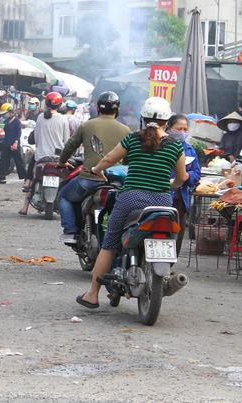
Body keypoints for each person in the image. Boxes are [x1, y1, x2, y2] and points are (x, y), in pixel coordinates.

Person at [75, 97, 187, 309]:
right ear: (167, 121)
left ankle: (92, 294)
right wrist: (172, 186)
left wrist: (97, 170)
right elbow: (181, 178)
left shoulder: (134, 139)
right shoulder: (175, 145)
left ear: (142, 118)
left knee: (109, 244)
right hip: (162, 201)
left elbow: (109, 158)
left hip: (130, 198)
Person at [56, 91, 131, 243]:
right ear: (118, 110)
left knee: (63, 196)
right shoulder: (126, 130)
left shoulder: (86, 125)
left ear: (97, 108)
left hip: (88, 180)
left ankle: (70, 231)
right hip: (115, 182)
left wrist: (61, 162)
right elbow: (128, 160)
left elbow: (70, 146)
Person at [19, 92, 70, 215]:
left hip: (41, 157)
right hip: (58, 157)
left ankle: (25, 207)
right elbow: (67, 141)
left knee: (31, 180)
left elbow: (36, 138)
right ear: (60, 105)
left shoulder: (41, 117)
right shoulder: (63, 119)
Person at [165, 114, 201, 255]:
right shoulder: (161, 147)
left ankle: (170, 265)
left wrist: (186, 176)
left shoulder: (190, 150)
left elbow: (197, 174)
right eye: (178, 129)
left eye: (185, 129)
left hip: (180, 200)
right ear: (169, 129)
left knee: (178, 234)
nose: (182, 132)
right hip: (162, 196)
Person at [0, 103, 27, 184]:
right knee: (4, 161)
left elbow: (18, 133)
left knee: (19, 162)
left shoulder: (17, 121)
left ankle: (26, 178)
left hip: (14, 145)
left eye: (5, 113)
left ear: (10, 112)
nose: (5, 115)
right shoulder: (6, 121)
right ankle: (2, 177)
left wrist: (16, 142)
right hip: (6, 144)